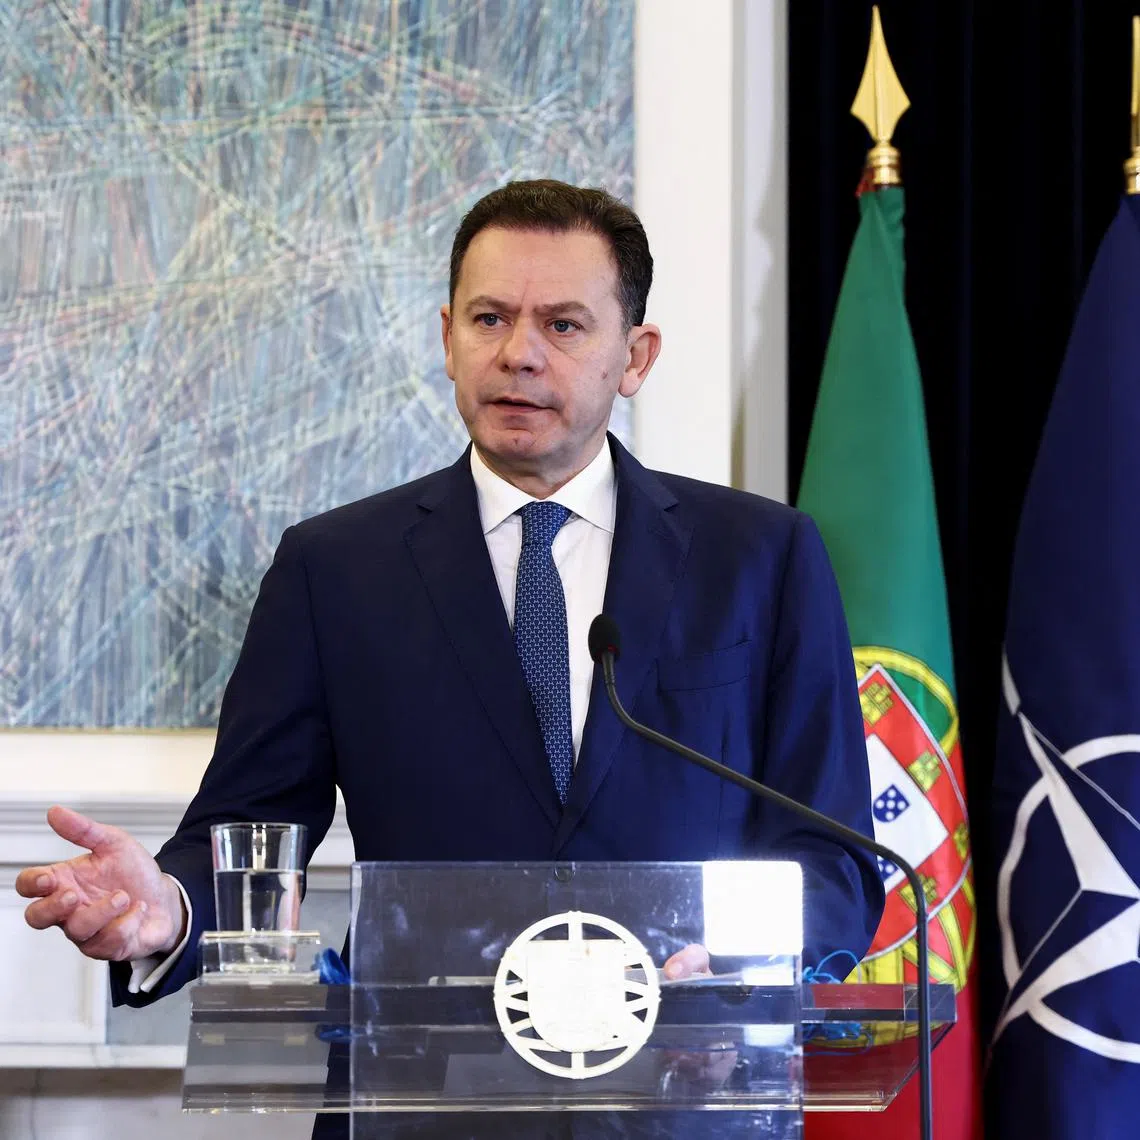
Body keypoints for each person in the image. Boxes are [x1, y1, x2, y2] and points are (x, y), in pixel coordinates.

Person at [16, 180, 884, 1136]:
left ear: (634, 357)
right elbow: (252, 819)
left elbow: (831, 854)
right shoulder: (335, 568)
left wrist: (737, 973)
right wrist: (171, 912)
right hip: (420, 1105)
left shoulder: (760, 558)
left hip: (682, 1099)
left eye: (563, 324)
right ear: (447, 337)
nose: (519, 352)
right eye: (490, 317)